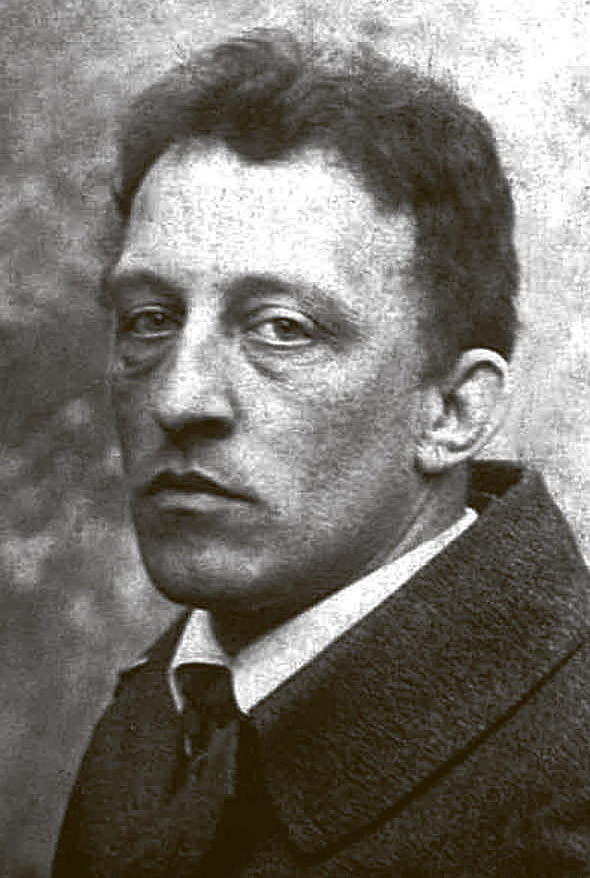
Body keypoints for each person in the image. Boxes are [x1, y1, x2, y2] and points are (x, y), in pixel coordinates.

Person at [52, 29, 590, 876]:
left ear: (451, 412)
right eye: (149, 319)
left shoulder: (565, 801)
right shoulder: (176, 699)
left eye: (283, 328)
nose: (178, 398)